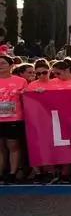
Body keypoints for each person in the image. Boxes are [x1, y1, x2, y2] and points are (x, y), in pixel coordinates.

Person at [0, 56, 29, 184]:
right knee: (0, 148)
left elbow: (27, 100)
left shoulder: (21, 81)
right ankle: (1, 172)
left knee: (13, 146)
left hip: (14, 118)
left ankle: (13, 172)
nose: (0, 65)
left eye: (3, 63)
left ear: (11, 66)